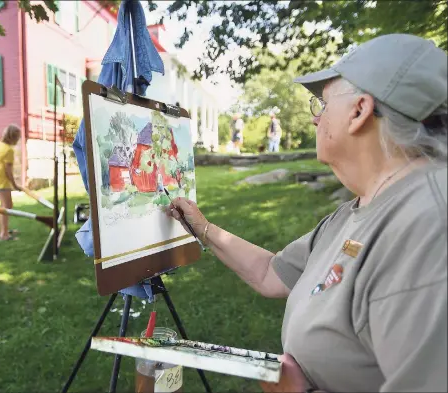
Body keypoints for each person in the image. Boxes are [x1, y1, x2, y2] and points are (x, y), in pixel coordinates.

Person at [167, 34, 447, 392]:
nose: (315, 120)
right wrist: (203, 228)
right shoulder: (358, 209)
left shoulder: (430, 229)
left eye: (323, 104)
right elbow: (271, 273)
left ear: (359, 111)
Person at [0, 124, 21, 241]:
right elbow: (8, 170)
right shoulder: (9, 150)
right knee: (6, 207)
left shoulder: (0, 145)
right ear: (14, 136)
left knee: (6, 206)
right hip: (2, 180)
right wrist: (15, 184)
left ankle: (5, 229)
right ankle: (4, 235)